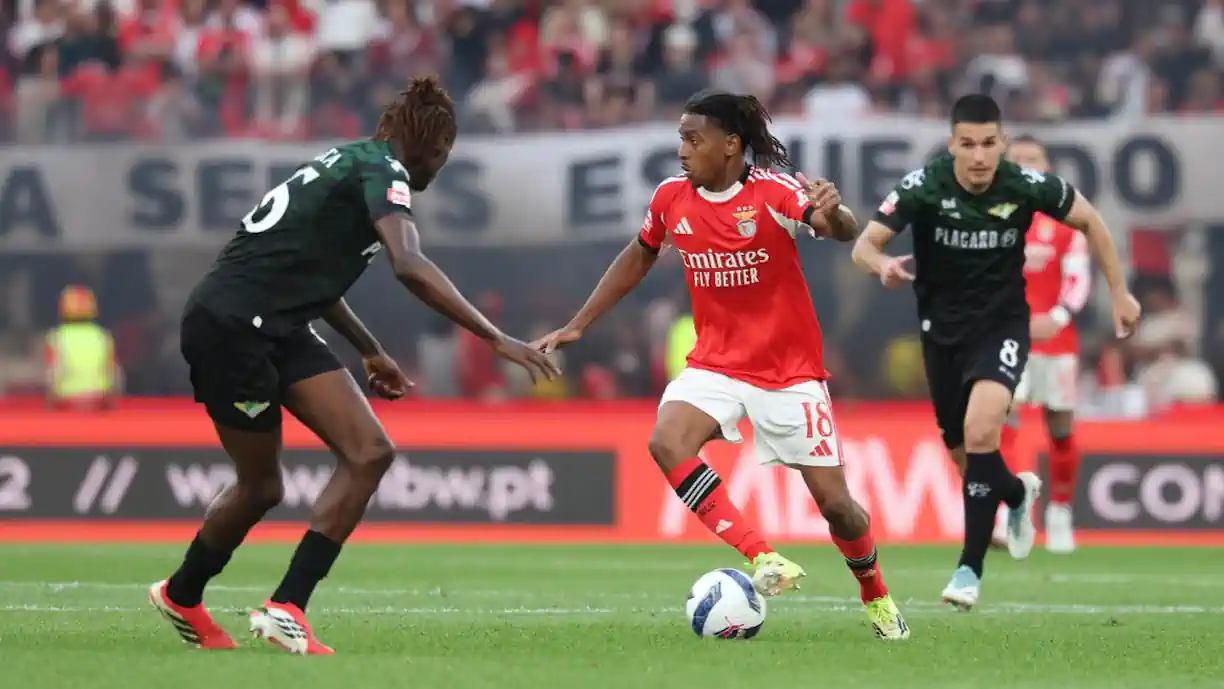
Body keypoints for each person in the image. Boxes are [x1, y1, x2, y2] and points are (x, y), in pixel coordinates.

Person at [149, 76, 559, 655]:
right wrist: (496, 338)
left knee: (370, 451)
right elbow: (409, 264)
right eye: (444, 153)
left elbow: (313, 272)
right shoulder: (385, 172)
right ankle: (183, 593)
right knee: (261, 485)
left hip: (280, 324)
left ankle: (286, 606)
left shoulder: (352, 162)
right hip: (232, 328)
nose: (441, 166)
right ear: (433, 146)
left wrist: (368, 347)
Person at [534, 89, 909, 641]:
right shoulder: (670, 198)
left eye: (693, 139)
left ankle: (876, 596)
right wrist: (580, 323)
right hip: (717, 364)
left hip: (790, 373)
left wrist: (837, 211)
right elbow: (639, 253)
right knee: (666, 442)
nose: (682, 151)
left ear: (731, 145)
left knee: (839, 509)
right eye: (680, 139)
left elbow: (838, 228)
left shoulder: (772, 191)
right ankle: (764, 557)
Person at [851, 94, 1140, 611]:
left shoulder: (1024, 184)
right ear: (952, 145)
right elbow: (864, 245)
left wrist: (1120, 293)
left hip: (1003, 328)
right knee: (966, 456)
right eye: (969, 145)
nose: (980, 156)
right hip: (941, 335)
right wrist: (882, 266)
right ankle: (1014, 494)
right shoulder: (923, 187)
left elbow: (1092, 221)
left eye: (989, 144)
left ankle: (969, 569)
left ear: (1003, 144)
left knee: (982, 432)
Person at [1002, 135, 1092, 555]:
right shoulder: (991, 217)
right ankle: (1010, 509)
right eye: (1016, 159)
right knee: (1003, 416)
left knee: (1060, 427)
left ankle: (1060, 511)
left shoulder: (1066, 220)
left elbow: (1077, 278)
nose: (1024, 165)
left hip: (1055, 340)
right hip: (1006, 337)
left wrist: (1055, 318)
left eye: (1032, 159)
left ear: (1048, 166)